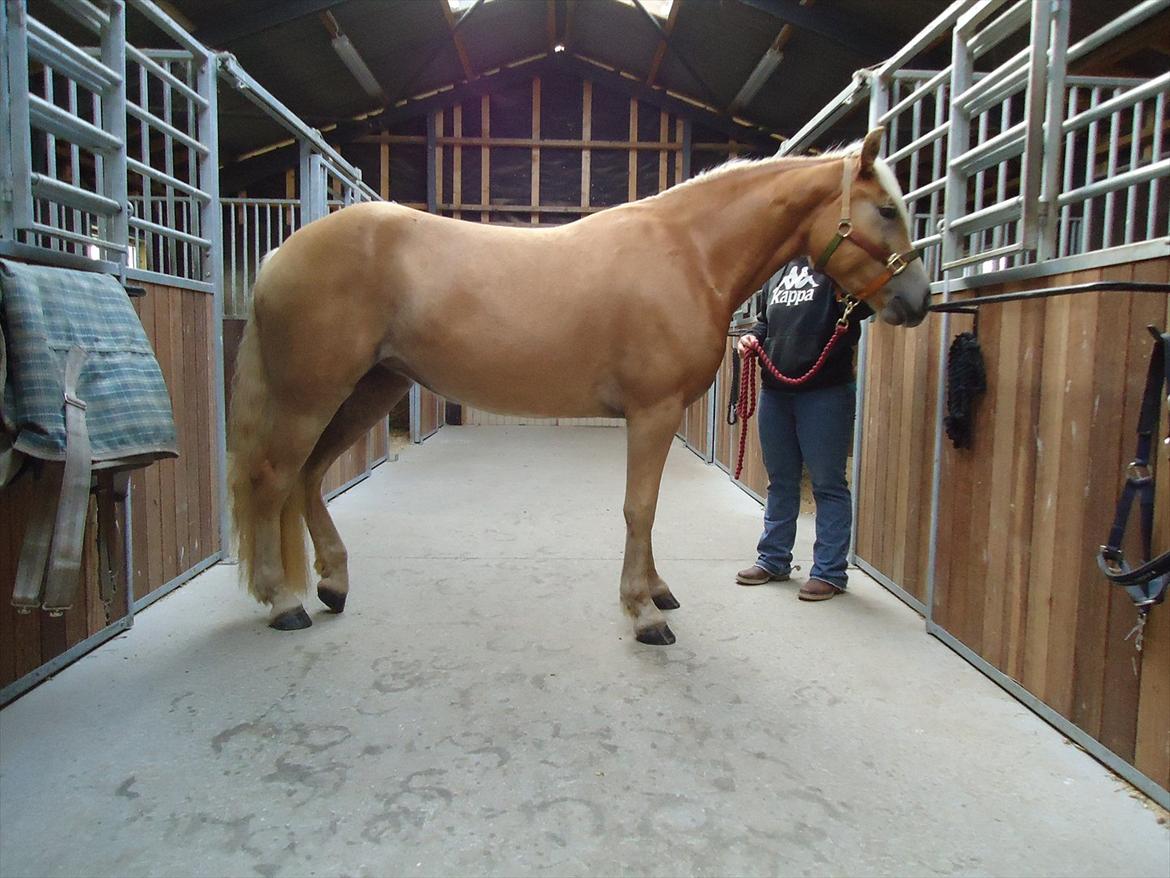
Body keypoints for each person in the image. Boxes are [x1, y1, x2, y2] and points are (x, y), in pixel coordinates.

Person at [735, 256, 871, 601]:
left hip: (824, 392)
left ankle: (829, 571)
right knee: (780, 479)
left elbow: (867, 303)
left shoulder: (838, 269)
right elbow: (765, 321)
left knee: (828, 483)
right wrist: (751, 338)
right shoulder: (778, 271)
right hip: (776, 392)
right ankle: (773, 559)